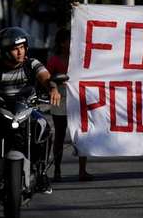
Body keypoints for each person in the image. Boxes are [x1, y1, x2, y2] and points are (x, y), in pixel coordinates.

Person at [0, 27, 61, 193]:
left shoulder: (32, 64)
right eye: (14, 49)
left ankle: (41, 174)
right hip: (2, 110)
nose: (20, 52)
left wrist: (53, 89)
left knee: (43, 126)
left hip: (27, 109)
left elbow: (46, 78)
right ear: (5, 51)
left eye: (22, 47)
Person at [46, 28, 94, 182]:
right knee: (60, 136)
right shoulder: (54, 60)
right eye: (69, 41)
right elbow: (47, 78)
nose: (72, 43)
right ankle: (57, 170)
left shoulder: (80, 58)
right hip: (60, 99)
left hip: (78, 99)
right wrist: (55, 86)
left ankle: (82, 171)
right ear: (61, 44)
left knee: (82, 135)